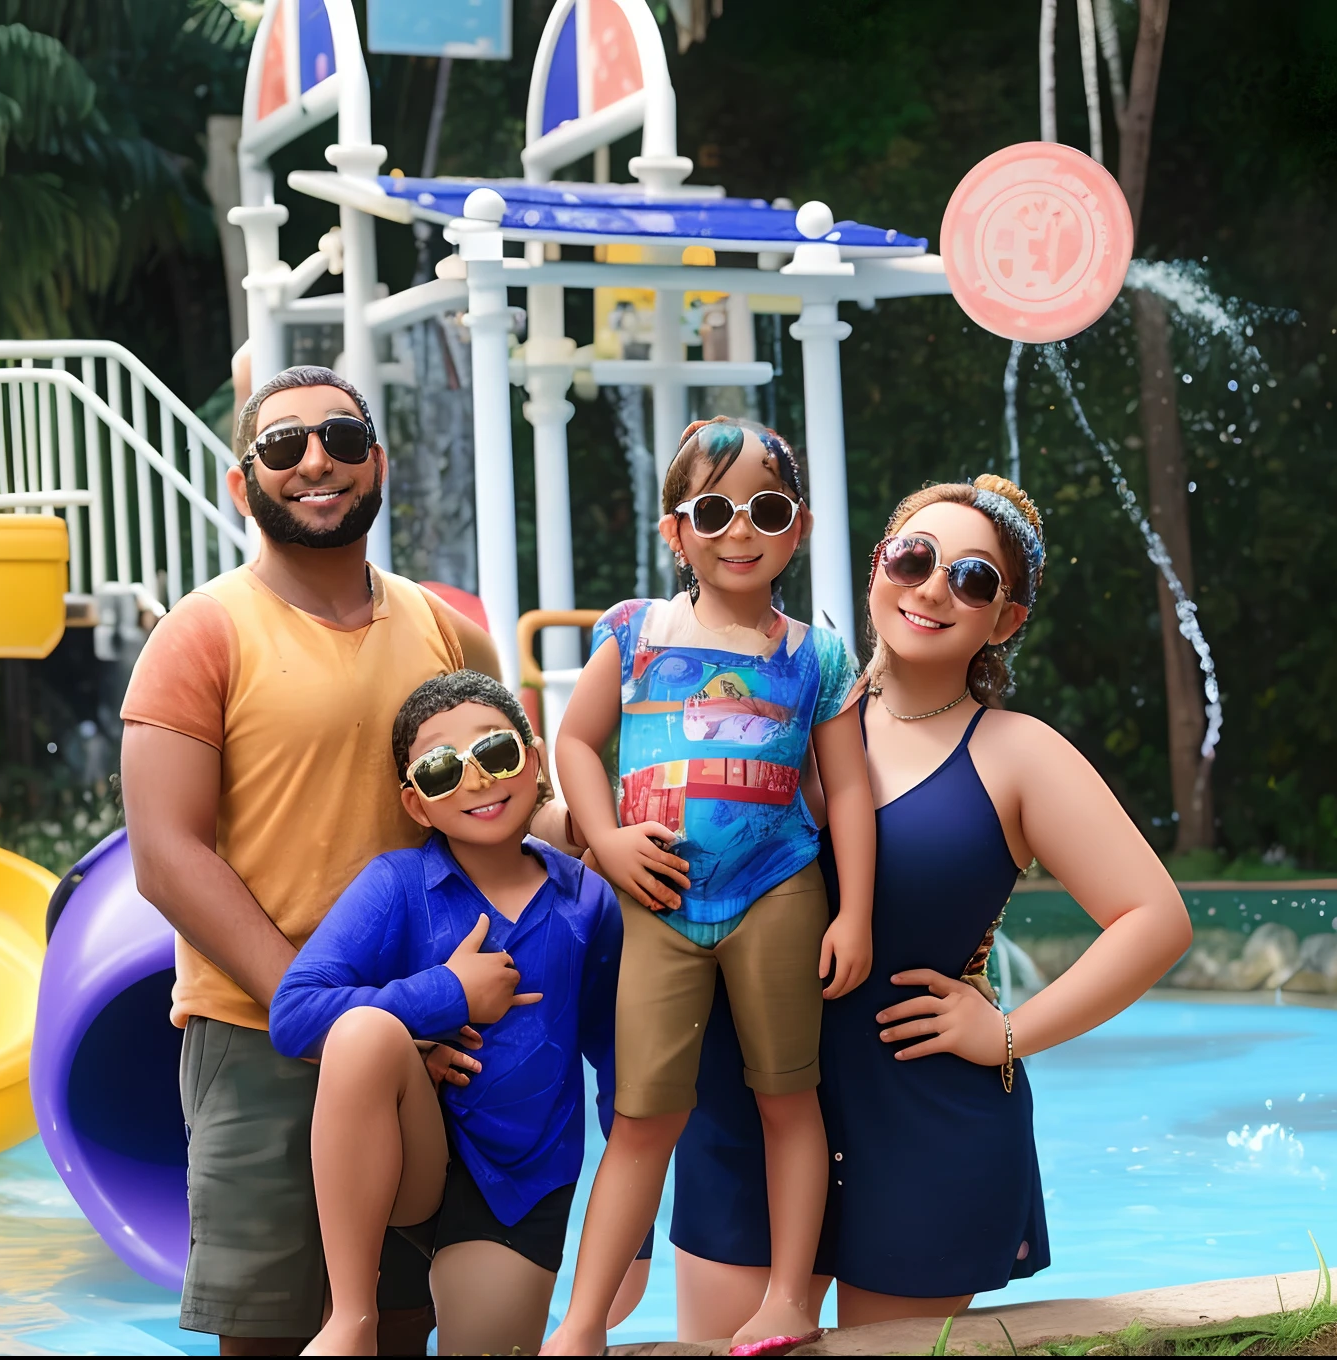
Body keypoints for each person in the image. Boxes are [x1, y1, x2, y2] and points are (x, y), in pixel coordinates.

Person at [669, 475, 1194, 1340]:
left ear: (1007, 618)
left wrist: (1010, 1032)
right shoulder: (781, 705)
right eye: (913, 556)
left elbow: (1155, 919)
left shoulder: (1019, 755)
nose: (933, 587)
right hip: (746, 1106)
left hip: (919, 1124)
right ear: (878, 564)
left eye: (974, 578)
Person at [119, 365, 533, 1355]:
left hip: (439, 1039)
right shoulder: (202, 633)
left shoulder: (444, 629)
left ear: (375, 463)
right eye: (283, 445)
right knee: (271, 1332)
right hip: (261, 1038)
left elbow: (517, 812)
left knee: (398, 1322)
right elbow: (167, 859)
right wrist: (341, 1015)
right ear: (242, 481)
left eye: (343, 441)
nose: (316, 462)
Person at [543, 418, 876, 1357]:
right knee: (644, 1116)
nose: (740, 530)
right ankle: (580, 1324)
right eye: (715, 510)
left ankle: (785, 1301)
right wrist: (604, 840)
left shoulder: (817, 656)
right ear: (675, 531)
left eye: (765, 509)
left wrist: (853, 912)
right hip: (657, 901)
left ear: (797, 528)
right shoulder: (634, 633)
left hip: (777, 890)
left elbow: (846, 786)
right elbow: (572, 740)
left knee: (789, 1098)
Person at [268, 671, 622, 1356]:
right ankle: (351, 1317)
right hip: (407, 1159)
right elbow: (296, 1011)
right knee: (366, 1031)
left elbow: (621, 1074)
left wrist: (627, 1247)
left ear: (535, 759)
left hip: (519, 1186)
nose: (477, 780)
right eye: (440, 771)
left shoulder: (587, 902)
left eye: (494, 753)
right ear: (417, 804)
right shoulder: (397, 885)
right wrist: (447, 995)